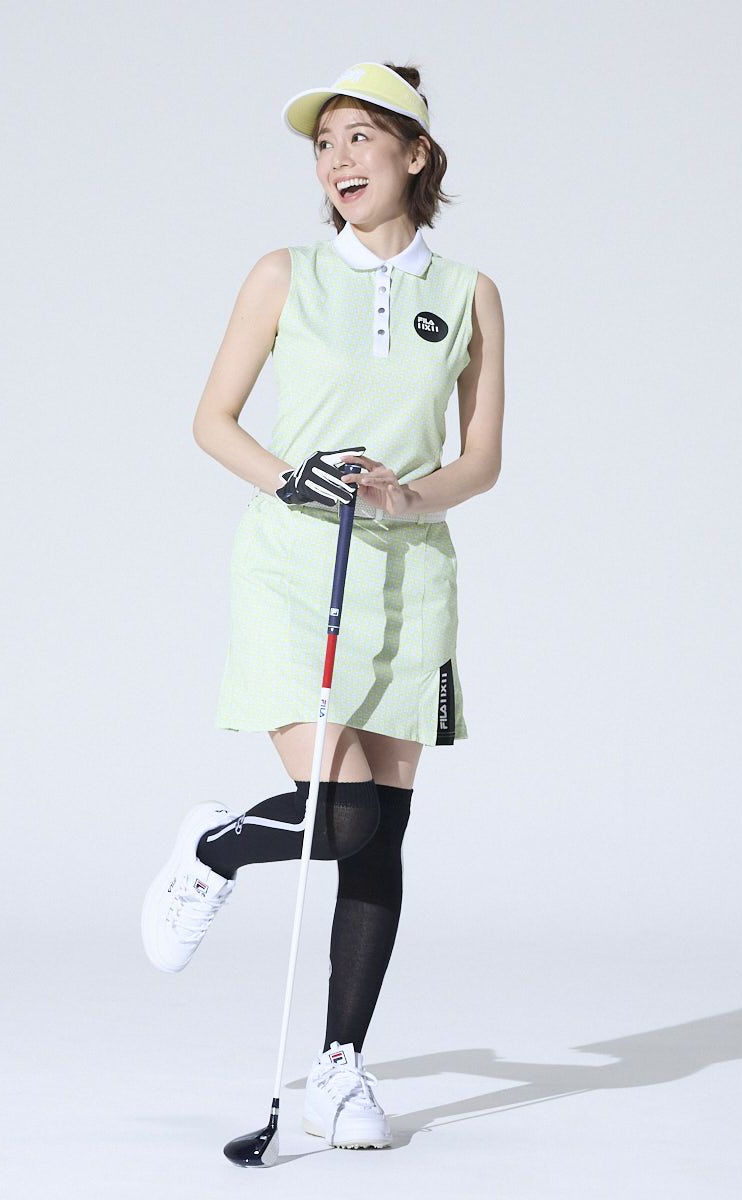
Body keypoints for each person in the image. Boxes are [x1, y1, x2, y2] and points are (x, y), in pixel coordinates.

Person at [141, 60, 505, 1151]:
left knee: (381, 835)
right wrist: (292, 478)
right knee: (338, 815)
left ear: (415, 154)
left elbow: (481, 459)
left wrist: (406, 494)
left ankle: (340, 1070)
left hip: (411, 576)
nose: (337, 159)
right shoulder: (284, 274)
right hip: (295, 566)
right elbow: (213, 421)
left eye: (358, 137)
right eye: (323, 142)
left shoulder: (469, 294)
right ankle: (216, 847)